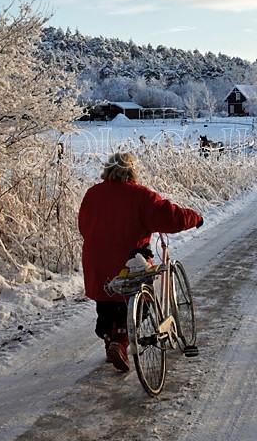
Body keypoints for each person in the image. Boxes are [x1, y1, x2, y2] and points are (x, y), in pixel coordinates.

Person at [78, 151, 203, 371]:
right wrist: (195, 217)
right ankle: (121, 341)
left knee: (106, 304)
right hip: (130, 263)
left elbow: (83, 227)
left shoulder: (92, 194)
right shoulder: (141, 195)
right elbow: (170, 217)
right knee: (139, 303)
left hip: (96, 263)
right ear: (132, 171)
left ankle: (110, 340)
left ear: (108, 169)